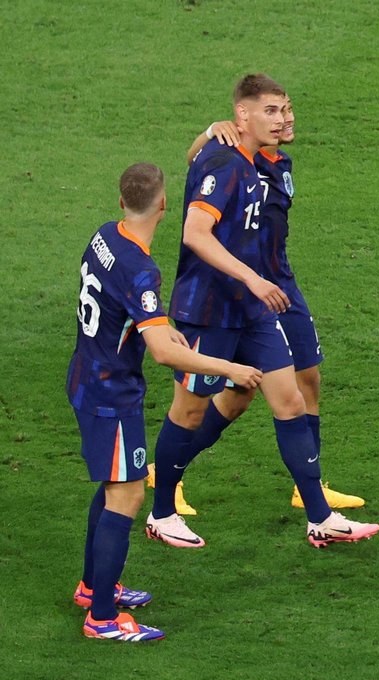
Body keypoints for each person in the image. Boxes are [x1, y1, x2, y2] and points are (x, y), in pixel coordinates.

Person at [146, 74, 379, 550]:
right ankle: (162, 512)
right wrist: (252, 278)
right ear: (242, 116)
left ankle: (319, 517)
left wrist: (256, 284)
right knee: (189, 412)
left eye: (285, 109)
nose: (283, 119)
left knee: (290, 398)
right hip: (210, 308)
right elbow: (194, 233)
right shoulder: (225, 163)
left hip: (253, 307)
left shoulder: (256, 164)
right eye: (271, 111)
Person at [68, 163, 263, 641]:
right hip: (112, 394)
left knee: (117, 482)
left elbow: (127, 316)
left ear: (121, 202)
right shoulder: (141, 269)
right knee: (128, 494)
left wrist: (156, 324)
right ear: (162, 204)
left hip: (86, 377)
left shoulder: (103, 237)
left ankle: (94, 587)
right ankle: (103, 619)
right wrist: (231, 369)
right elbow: (160, 353)